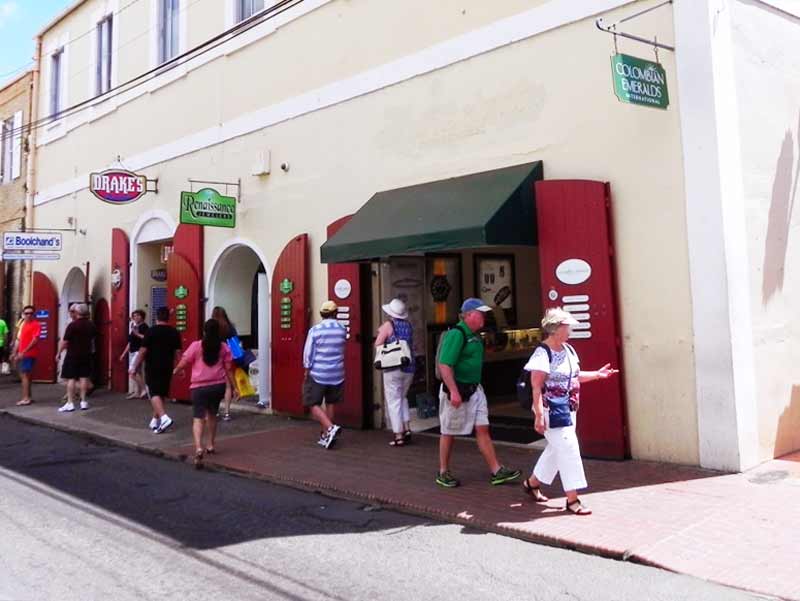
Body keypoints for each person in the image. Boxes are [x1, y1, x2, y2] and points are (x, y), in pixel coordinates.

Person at [522, 307, 619, 515]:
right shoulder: (542, 353)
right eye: (567, 327)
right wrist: (538, 416)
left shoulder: (568, 350)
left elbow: (574, 376)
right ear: (556, 329)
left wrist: (597, 375)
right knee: (569, 449)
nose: (570, 331)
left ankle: (532, 484)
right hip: (550, 410)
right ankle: (572, 499)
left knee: (557, 449)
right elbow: (536, 386)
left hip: (568, 409)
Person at [436, 298, 521, 488]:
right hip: (459, 390)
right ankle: (443, 471)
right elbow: (444, 364)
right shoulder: (457, 334)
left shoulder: (475, 335)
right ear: (468, 315)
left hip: (475, 389)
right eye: (480, 313)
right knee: (449, 431)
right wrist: (454, 391)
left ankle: (496, 470)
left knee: (483, 428)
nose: (484, 316)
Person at [173, 319, 236, 467]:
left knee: (198, 417)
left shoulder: (196, 346)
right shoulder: (224, 347)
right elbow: (228, 369)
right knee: (212, 415)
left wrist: (176, 370)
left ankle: (198, 447)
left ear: (204, 331)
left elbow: (185, 360)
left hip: (199, 387)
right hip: (217, 386)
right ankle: (211, 445)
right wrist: (235, 387)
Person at [302, 300, 346, 449]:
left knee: (312, 402)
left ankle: (330, 427)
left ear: (322, 314)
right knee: (331, 403)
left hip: (319, 373)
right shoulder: (342, 329)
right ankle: (326, 435)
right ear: (335, 313)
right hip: (337, 373)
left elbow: (308, 353)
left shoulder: (315, 330)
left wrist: (306, 369)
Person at [131, 306, 182, 433]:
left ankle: (164, 418)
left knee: (153, 393)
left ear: (157, 317)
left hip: (153, 365)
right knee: (161, 393)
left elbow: (143, 351)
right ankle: (155, 420)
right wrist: (180, 367)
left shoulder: (151, 331)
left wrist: (134, 366)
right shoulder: (174, 332)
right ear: (168, 317)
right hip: (167, 366)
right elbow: (177, 352)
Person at [375, 298, 415, 447]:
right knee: (402, 397)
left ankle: (398, 435)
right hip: (409, 366)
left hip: (393, 367)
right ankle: (407, 428)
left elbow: (378, 343)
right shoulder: (408, 325)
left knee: (393, 400)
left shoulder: (388, 325)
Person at [56, 303, 97, 412]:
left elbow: (65, 341)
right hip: (86, 354)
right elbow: (93, 338)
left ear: (77, 313)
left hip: (73, 354)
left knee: (71, 378)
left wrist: (58, 353)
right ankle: (83, 401)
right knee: (84, 377)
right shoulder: (91, 325)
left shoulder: (72, 325)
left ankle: (70, 402)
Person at [211, 306, 237, 420]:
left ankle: (215, 411)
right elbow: (235, 343)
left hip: (213, 358)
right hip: (227, 357)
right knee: (227, 386)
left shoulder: (211, 326)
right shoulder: (230, 327)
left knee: (214, 385)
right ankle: (226, 412)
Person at [11, 306, 40, 406]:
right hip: (23, 354)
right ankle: (28, 397)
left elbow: (35, 340)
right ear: (23, 314)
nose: (28, 315)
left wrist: (23, 351)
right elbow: (20, 340)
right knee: (26, 376)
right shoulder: (24, 325)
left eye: (31, 313)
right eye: (26, 313)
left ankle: (26, 398)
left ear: (34, 314)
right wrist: (15, 352)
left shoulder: (35, 324)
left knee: (25, 376)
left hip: (28, 354)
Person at [119, 309, 149, 399]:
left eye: (138, 315)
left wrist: (137, 334)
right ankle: (137, 392)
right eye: (134, 316)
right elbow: (130, 342)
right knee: (138, 372)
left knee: (132, 372)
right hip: (133, 352)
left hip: (139, 352)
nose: (136, 317)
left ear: (142, 317)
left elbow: (147, 338)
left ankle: (145, 390)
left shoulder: (144, 327)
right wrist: (123, 354)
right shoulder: (135, 327)